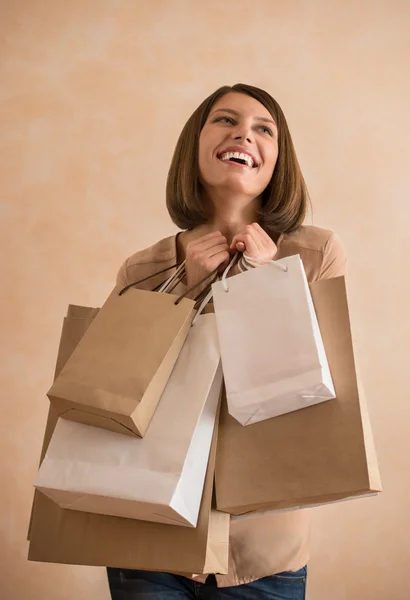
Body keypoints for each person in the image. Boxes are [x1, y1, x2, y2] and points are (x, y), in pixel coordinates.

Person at [108, 83, 346, 600]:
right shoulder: (143, 269)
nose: (244, 133)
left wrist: (266, 283)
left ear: (277, 160)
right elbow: (123, 395)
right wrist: (187, 286)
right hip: (146, 534)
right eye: (225, 120)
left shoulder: (314, 255)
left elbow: (318, 388)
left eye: (264, 128)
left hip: (262, 549)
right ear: (195, 144)